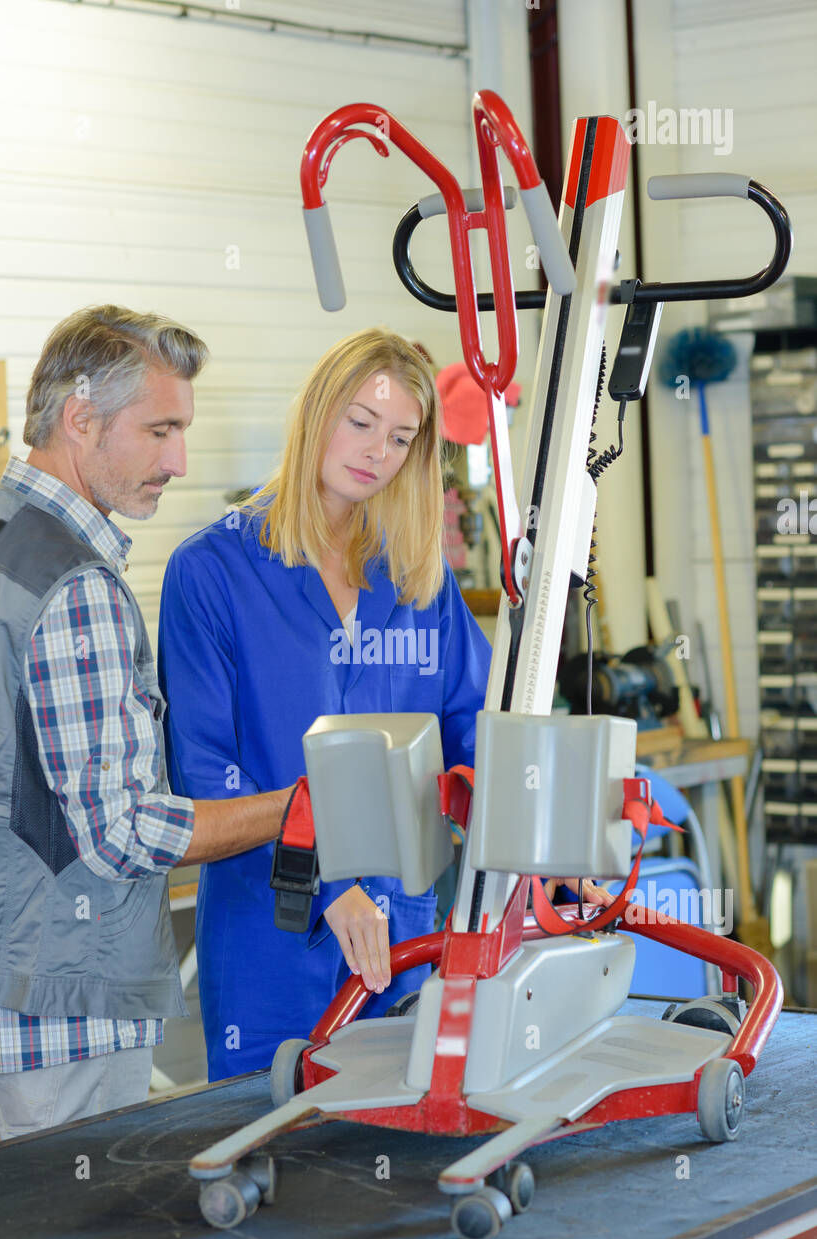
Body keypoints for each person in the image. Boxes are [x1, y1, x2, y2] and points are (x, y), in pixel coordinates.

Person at [158, 328, 610, 1081]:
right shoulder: (212, 570)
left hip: (403, 927)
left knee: (397, 1150)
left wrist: (545, 845)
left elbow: (475, 728)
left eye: (400, 437)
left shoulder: (412, 578)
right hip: (274, 925)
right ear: (316, 417)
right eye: (360, 423)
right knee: (271, 1142)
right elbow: (204, 769)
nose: (376, 452)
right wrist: (323, 882)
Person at [0, 305, 295, 1139]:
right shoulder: (75, 586)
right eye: (159, 430)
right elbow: (122, 832)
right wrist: (291, 808)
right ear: (79, 417)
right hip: (62, 996)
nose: (178, 461)